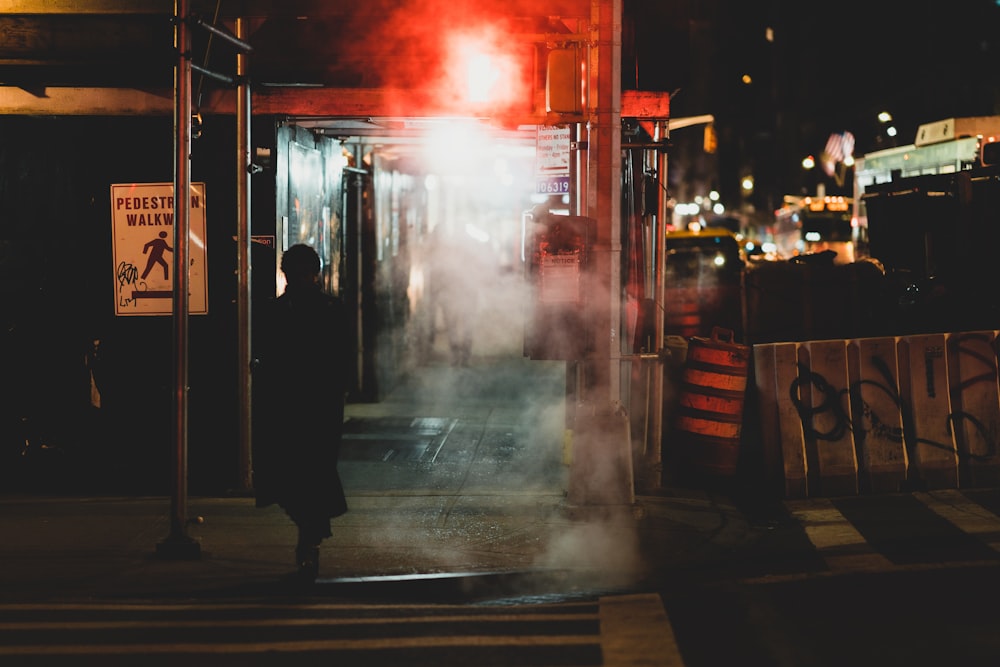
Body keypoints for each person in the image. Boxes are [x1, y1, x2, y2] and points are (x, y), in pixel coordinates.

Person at [251, 243, 349, 581]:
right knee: (293, 478)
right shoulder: (276, 311)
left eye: (306, 273)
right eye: (297, 273)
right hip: (291, 407)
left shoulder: (329, 310)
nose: (302, 279)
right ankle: (311, 530)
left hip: (316, 407)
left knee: (311, 475)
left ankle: (309, 537)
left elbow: (342, 359)